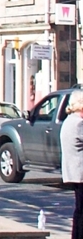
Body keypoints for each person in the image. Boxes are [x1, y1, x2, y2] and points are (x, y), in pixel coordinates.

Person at [61, 89, 83, 239]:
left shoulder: (68, 121)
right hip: (80, 172)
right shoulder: (79, 123)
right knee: (81, 211)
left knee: (79, 209)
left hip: (73, 172)